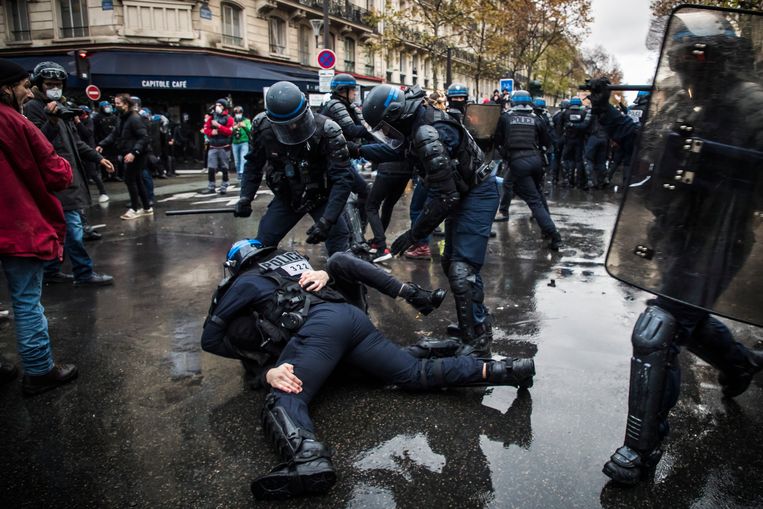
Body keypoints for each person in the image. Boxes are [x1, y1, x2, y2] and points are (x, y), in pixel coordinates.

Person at [200, 239, 535, 500]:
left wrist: (269, 369)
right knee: (413, 374)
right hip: (351, 320)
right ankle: (505, 370)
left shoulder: (243, 282)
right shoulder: (294, 261)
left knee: (284, 397)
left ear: (236, 265)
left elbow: (210, 339)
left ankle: (306, 459)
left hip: (321, 332)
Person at [593, 8, 763, 485]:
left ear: (721, 57)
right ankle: (740, 363)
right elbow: (640, 143)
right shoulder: (687, 102)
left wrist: (724, 165)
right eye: (682, 56)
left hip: (717, 240)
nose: (687, 65)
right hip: (674, 237)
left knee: (657, 329)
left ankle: (639, 451)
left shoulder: (752, 105)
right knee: (687, 317)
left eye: (696, 55)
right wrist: (605, 108)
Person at [360, 84, 498, 358]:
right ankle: (473, 327)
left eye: (385, 127)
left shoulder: (427, 132)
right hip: (468, 191)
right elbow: (400, 153)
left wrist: (414, 234)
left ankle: (477, 344)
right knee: (453, 263)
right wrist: (356, 148)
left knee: (462, 268)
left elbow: (446, 196)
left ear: (397, 115)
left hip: (477, 193)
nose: (386, 133)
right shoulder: (418, 123)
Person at [0, 58, 79, 395]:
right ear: (6, 89)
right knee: (26, 300)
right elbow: (58, 173)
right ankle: (39, 369)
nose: (25, 91)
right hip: (17, 224)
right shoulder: (15, 122)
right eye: (21, 86)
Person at [233, 82, 354, 255]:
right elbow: (253, 164)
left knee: (340, 245)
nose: (292, 128)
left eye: (296, 122)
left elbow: (343, 178)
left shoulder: (328, 130)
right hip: (287, 196)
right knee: (262, 245)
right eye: (285, 125)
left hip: (321, 197)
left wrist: (328, 220)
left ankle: (342, 279)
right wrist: (245, 197)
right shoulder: (262, 128)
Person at [24, 61, 115, 286]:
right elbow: (38, 143)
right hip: (56, 180)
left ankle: (51, 271)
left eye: (57, 84)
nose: (54, 87)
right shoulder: (34, 108)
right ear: (39, 84)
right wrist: (52, 120)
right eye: (49, 84)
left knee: (62, 228)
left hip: (70, 177)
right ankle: (83, 273)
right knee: (73, 230)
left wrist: (98, 158)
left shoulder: (60, 106)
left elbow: (76, 143)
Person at [493, 90, 562, 250]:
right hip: (536, 161)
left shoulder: (506, 118)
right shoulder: (536, 119)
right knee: (535, 194)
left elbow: (498, 141)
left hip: (518, 162)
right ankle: (546, 230)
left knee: (534, 201)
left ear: (513, 102)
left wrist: (507, 156)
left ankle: (554, 235)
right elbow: (547, 141)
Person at [97, 94, 153, 220]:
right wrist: (102, 144)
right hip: (130, 153)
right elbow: (115, 134)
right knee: (137, 180)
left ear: (126, 104)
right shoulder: (122, 118)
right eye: (115, 103)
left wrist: (134, 152)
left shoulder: (134, 118)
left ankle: (134, 208)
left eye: (118, 103)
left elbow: (144, 138)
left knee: (130, 180)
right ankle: (146, 207)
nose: (115, 106)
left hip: (137, 155)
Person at [74, 105, 109, 203]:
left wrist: (79, 123)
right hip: (78, 149)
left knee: (93, 173)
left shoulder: (89, 121)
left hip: (88, 149)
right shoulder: (73, 122)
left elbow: (88, 133)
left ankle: (103, 192)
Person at [201, 98, 234, 195]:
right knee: (211, 167)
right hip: (213, 146)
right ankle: (211, 186)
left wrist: (219, 126)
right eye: (217, 105)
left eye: (220, 105)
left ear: (224, 107)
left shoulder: (229, 118)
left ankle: (224, 185)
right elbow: (206, 129)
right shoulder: (211, 117)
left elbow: (229, 131)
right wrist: (211, 132)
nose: (217, 107)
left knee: (224, 167)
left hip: (224, 146)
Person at [560, 97, 590, 187]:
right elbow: (586, 126)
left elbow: (560, 126)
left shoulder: (565, 113)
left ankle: (569, 180)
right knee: (579, 160)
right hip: (580, 140)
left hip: (568, 140)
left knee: (567, 159)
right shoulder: (583, 113)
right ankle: (579, 181)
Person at [550, 99, 570, 185]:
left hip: (557, 139)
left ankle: (555, 178)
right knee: (565, 159)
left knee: (557, 159)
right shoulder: (568, 114)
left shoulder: (556, 115)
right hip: (566, 139)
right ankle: (566, 178)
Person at [231, 106, 252, 181]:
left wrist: (245, 126)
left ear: (242, 112)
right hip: (235, 143)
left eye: (240, 112)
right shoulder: (232, 121)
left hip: (244, 142)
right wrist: (234, 127)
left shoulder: (246, 120)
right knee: (237, 160)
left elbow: (251, 131)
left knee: (243, 158)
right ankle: (239, 174)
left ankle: (243, 173)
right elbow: (228, 132)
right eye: (236, 112)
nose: (238, 113)